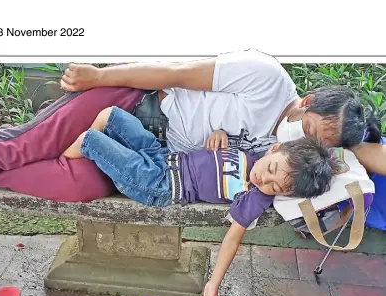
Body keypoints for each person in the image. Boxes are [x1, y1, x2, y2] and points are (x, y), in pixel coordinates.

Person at [62, 105, 338, 296]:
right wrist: (219, 134)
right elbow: (222, 136)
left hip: (157, 184)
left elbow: (233, 239)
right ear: (275, 149)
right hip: (163, 155)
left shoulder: (254, 196)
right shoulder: (250, 150)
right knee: (111, 115)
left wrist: (213, 283)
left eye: (275, 187)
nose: (263, 179)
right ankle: (75, 164)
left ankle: (59, 168)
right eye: (272, 169)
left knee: (92, 140)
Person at [60, 49, 385, 174]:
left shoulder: (290, 152)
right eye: (310, 130)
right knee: (55, 148)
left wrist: (219, 140)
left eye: (319, 143)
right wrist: (99, 76)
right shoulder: (266, 78)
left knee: (75, 172)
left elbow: (370, 155)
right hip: (150, 112)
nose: (305, 139)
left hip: (164, 163)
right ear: (308, 101)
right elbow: (177, 73)